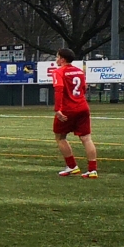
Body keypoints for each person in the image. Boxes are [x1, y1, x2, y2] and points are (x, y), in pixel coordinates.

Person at [52, 50, 99, 178]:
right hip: (83, 107)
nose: (56, 59)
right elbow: (84, 88)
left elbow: (59, 90)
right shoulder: (79, 71)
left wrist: (57, 109)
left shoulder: (58, 72)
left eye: (57, 57)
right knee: (86, 138)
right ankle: (92, 170)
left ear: (62, 59)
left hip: (68, 109)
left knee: (60, 137)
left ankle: (72, 166)